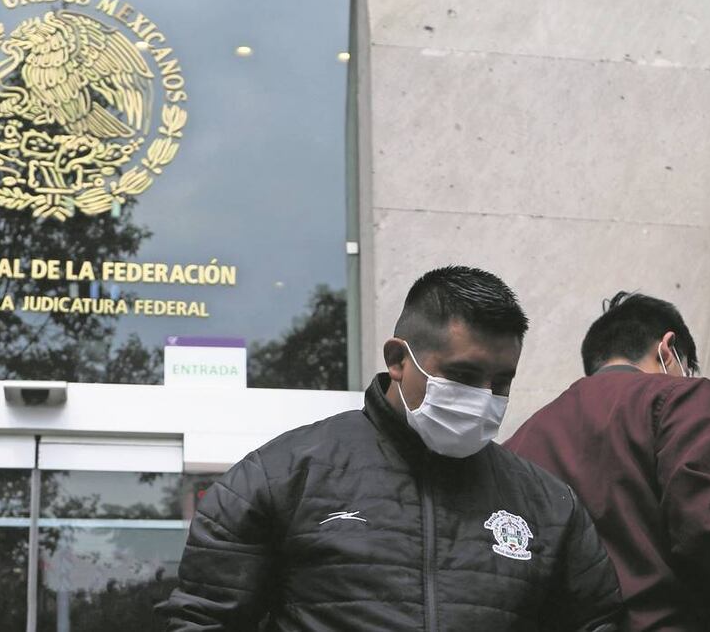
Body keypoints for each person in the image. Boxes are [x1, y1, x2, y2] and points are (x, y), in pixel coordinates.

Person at [160, 266, 621, 631]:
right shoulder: (283, 476)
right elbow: (204, 619)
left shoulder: (546, 504)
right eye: (462, 376)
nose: (484, 395)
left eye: (501, 382)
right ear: (398, 360)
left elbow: (597, 622)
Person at [505, 291, 710, 631]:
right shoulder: (681, 397)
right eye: (687, 367)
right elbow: (706, 533)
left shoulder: (521, 440)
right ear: (668, 348)